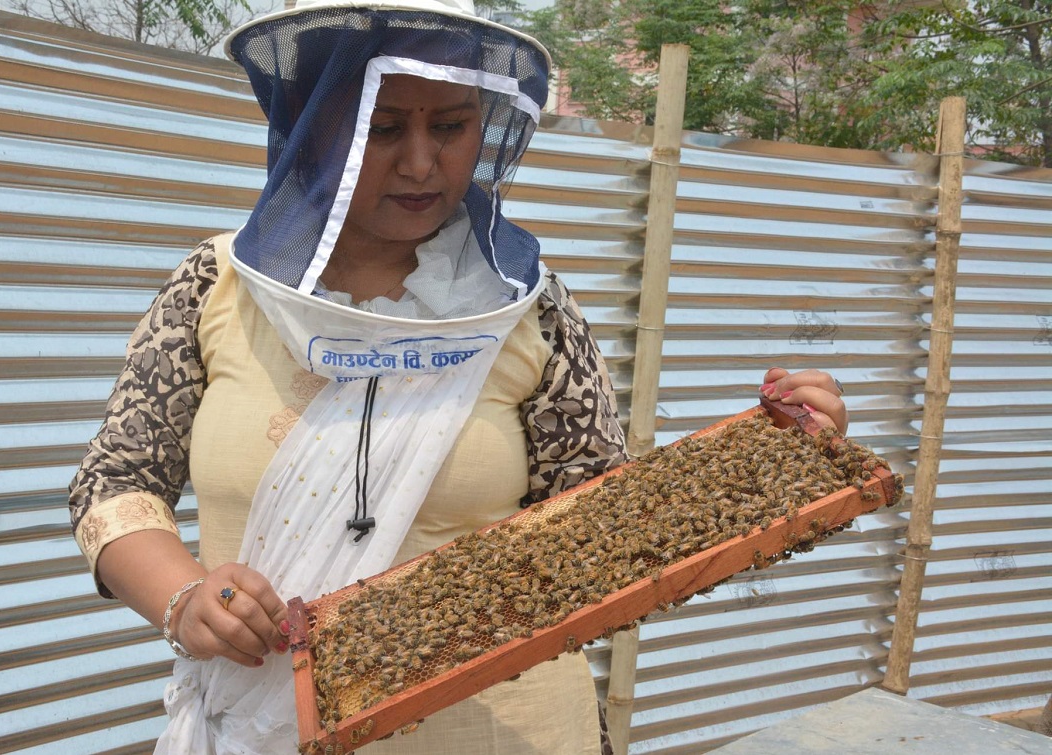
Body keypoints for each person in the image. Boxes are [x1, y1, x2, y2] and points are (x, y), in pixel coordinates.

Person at [67, 0, 849, 752]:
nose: (421, 161)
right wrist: (184, 597)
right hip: (267, 723)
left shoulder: (528, 307)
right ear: (311, 122)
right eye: (381, 127)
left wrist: (772, 456)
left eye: (450, 126)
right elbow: (113, 482)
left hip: (512, 734)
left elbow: (609, 526)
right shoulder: (216, 286)